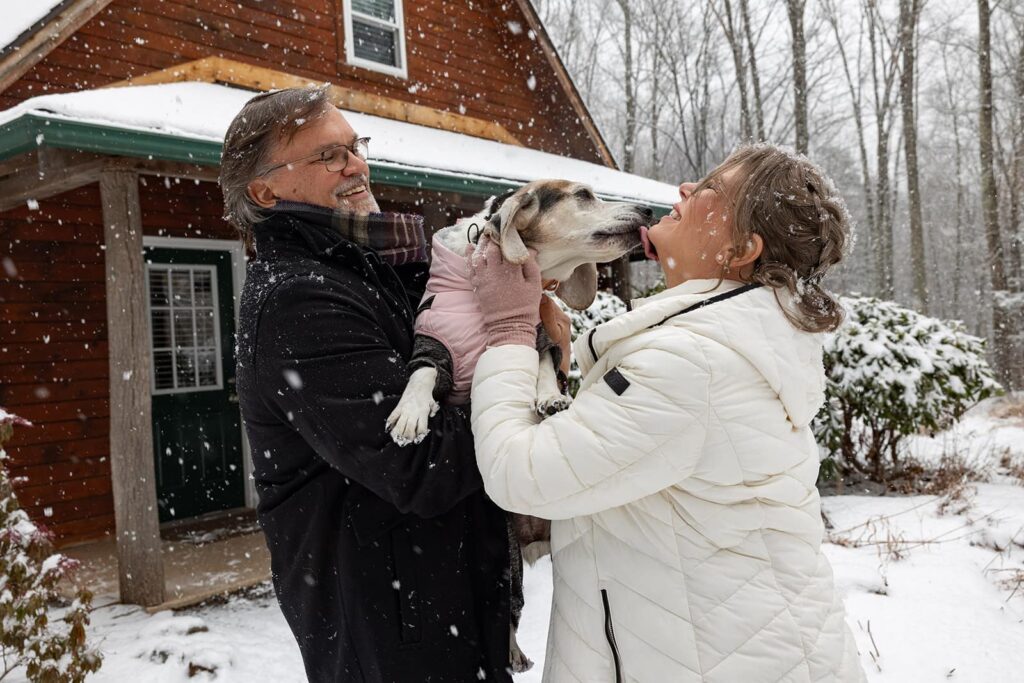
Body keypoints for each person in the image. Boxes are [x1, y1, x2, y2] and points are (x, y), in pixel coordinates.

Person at [466, 144, 867, 681]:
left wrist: (509, 330)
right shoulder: (721, 341)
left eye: (709, 191)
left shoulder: (691, 364)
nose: (684, 189)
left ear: (742, 248)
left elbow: (520, 474)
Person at [221, 87, 513, 682]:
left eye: (356, 148)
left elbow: (447, 361)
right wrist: (515, 356)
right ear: (264, 191)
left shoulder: (367, 271)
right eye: (329, 156)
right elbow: (420, 463)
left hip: (440, 605)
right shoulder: (297, 300)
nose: (357, 166)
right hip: (390, 634)